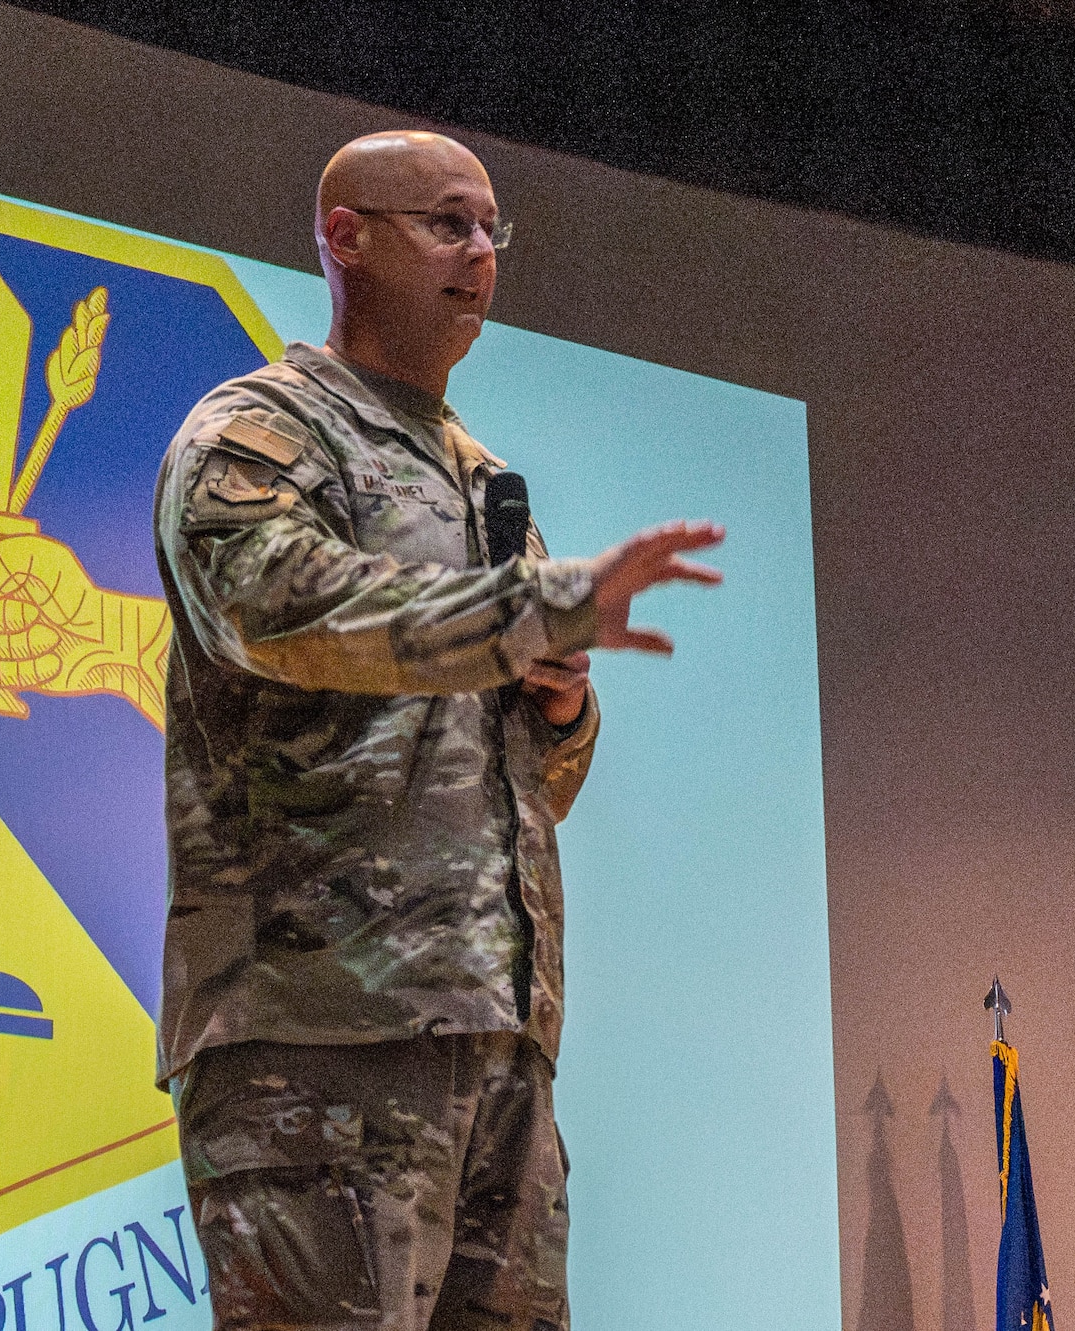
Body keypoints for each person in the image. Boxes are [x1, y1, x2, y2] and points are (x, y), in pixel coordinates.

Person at [152, 130, 724, 1331]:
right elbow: (287, 608)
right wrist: (533, 609)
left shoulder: (479, 477)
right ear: (344, 236)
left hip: (497, 1045)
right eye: (448, 223)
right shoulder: (258, 432)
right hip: (320, 1040)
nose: (479, 254)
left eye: (491, 232)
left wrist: (560, 711)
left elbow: (520, 779)